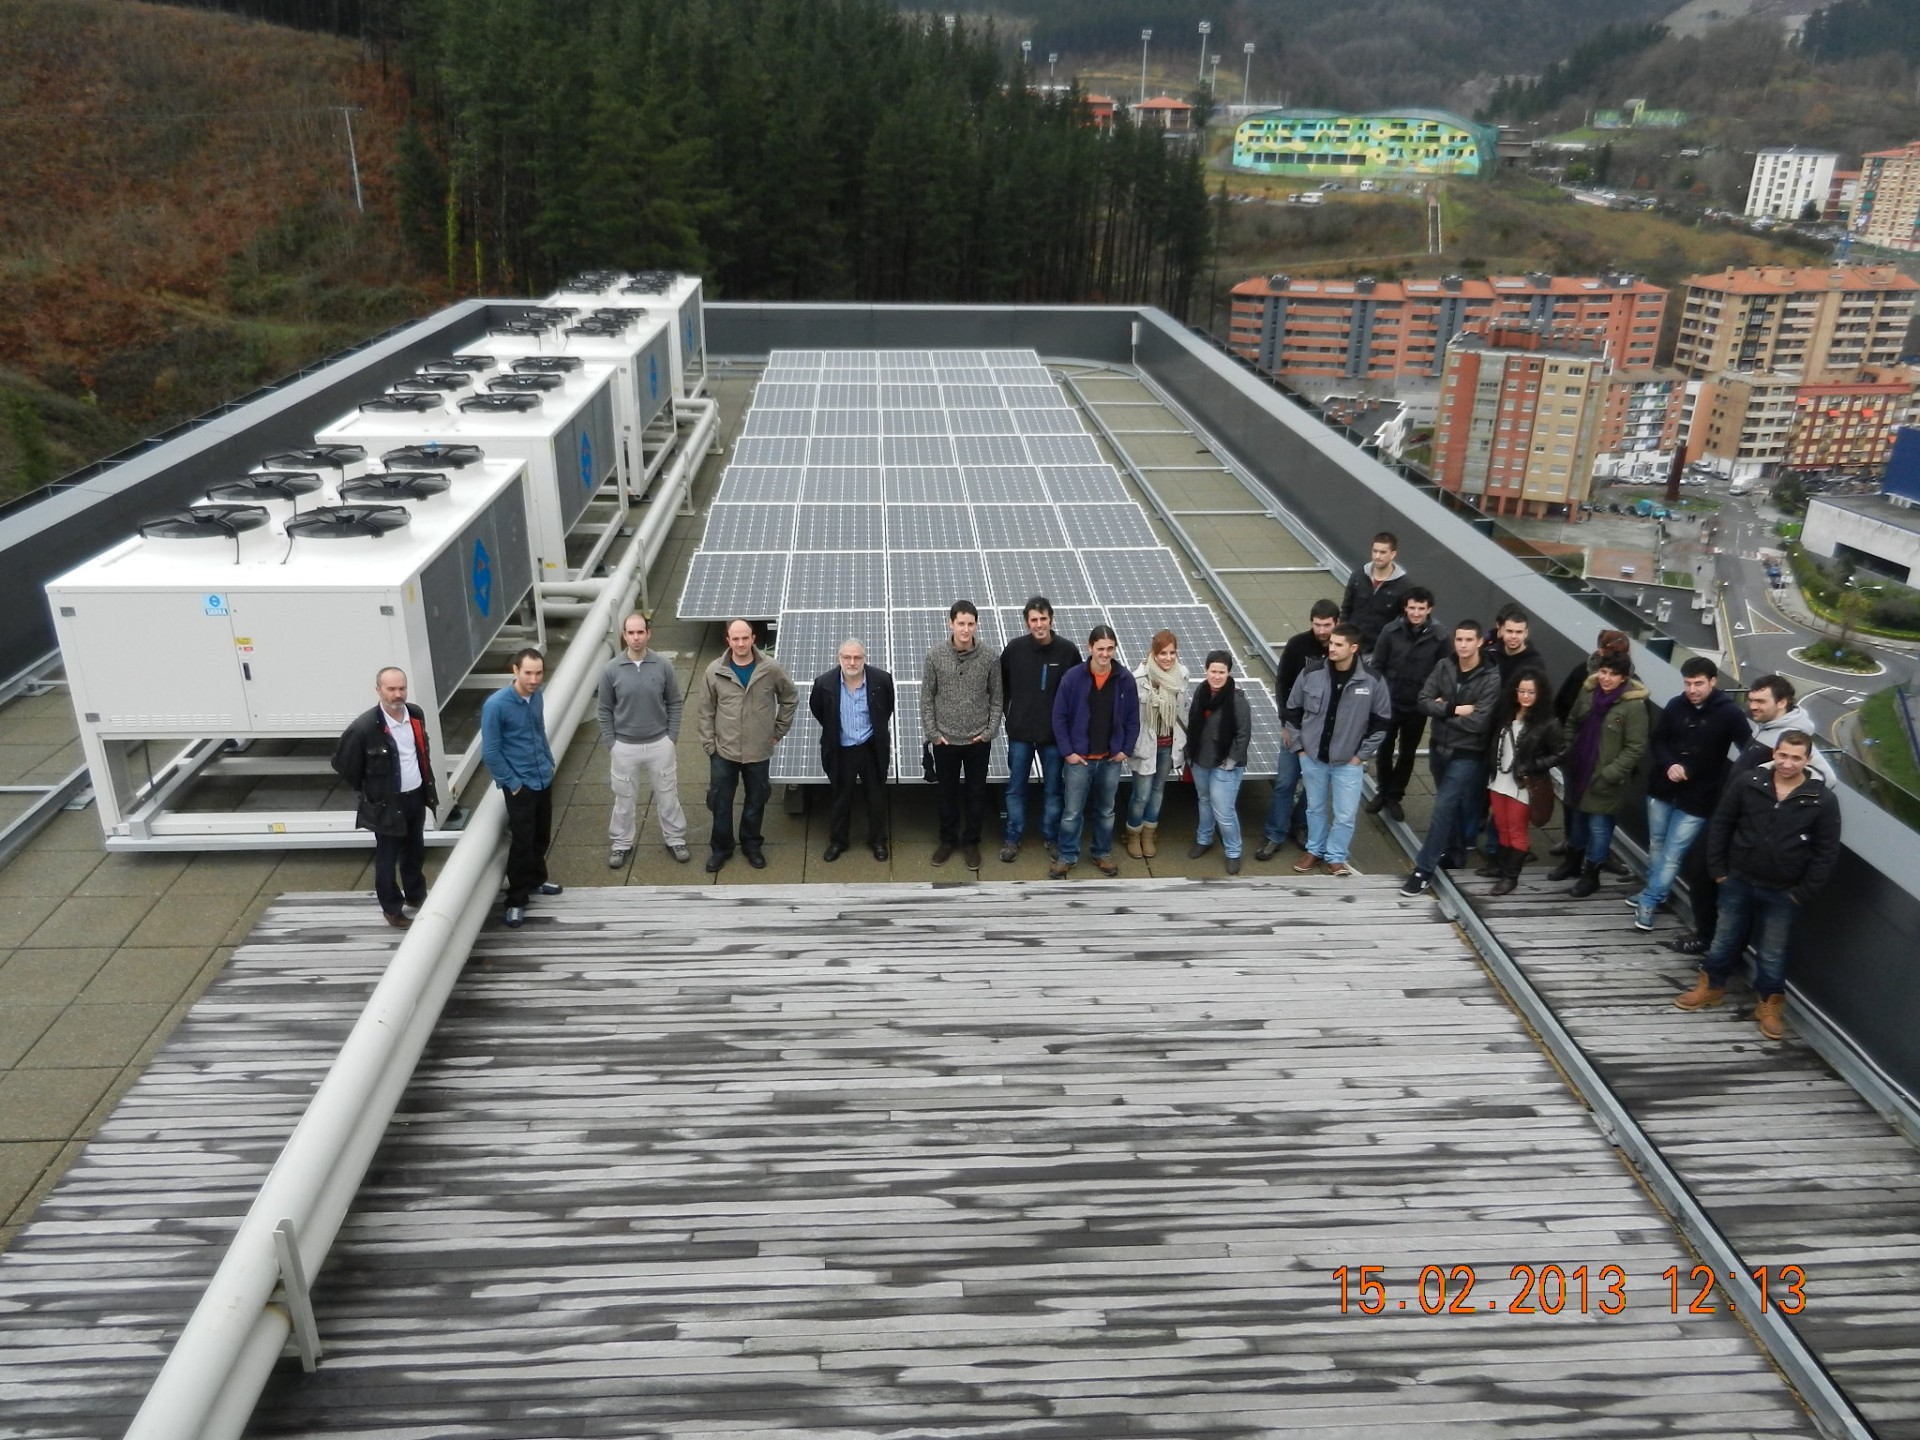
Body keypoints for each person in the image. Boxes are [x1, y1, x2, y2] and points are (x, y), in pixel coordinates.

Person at [1673, 732, 1841, 1041]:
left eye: (1796, 758)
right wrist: (1719, 871)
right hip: (1737, 880)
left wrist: (1801, 892)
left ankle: (1769, 1006)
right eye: (1783, 755)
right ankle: (1711, 987)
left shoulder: (1822, 800)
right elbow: (1722, 824)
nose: (1787, 763)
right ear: (1774, 753)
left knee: (1772, 953)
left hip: (1784, 891)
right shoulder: (1748, 782)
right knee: (1723, 939)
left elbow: (1826, 852)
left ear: (1807, 760)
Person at [1664, 674, 1833, 958]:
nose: (1753, 706)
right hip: (1730, 818)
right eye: (1751, 700)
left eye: (1760, 701)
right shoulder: (1767, 726)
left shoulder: (1792, 735)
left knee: (1715, 880)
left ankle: (1716, 944)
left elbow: (1826, 778)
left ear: (1782, 702)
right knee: (1704, 874)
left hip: (1751, 827)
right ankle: (1710, 938)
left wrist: (1780, 801)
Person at [1627, 657, 1750, 931]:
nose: (1692, 689)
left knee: (1673, 853)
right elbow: (1658, 739)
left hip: (1698, 797)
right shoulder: (1675, 705)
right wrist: (1669, 764)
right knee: (1657, 844)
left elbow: (1748, 750)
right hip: (1662, 788)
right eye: (1687, 683)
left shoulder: (1729, 713)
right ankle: (1655, 890)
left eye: (1698, 683)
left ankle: (1650, 898)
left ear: (1713, 682)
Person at [1398, 620, 1501, 896]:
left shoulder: (1490, 677)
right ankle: (1455, 854)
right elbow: (1423, 700)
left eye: (1469, 640)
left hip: (1467, 753)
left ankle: (1423, 870)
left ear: (1480, 642)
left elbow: (1479, 722)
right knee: (1451, 806)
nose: (1463, 645)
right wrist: (1455, 709)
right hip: (1438, 747)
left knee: (1443, 808)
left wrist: (1442, 708)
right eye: (1459, 639)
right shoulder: (1444, 666)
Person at [331, 666, 438, 928]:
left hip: (415, 797)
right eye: (391, 689)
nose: (397, 694)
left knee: (415, 851)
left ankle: (416, 895)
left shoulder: (415, 714)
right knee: (387, 858)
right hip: (386, 804)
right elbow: (344, 764)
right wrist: (372, 791)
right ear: (378, 690)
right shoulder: (364, 728)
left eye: (401, 688)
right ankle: (392, 908)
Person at [1286, 623, 1391, 876]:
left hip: (1348, 763)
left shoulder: (1373, 681)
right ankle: (1314, 850)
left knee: (1345, 814)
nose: (1331, 648)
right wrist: (1301, 749)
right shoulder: (1311, 673)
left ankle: (1336, 857)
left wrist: (1359, 756)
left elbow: (1381, 723)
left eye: (1338, 644)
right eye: (1331, 643)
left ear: (1353, 648)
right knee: (1314, 808)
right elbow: (1292, 711)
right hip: (1313, 759)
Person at [694, 619, 798, 873]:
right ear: (728, 641)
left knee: (756, 800)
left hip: (758, 751)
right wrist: (709, 745)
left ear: (753, 639)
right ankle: (721, 848)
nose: (740, 643)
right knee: (720, 802)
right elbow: (705, 710)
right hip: (723, 751)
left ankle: (751, 845)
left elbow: (790, 697)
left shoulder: (770, 669)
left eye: (745, 638)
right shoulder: (714, 671)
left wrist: (777, 731)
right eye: (735, 639)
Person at [1551, 655, 1650, 897]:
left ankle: (1591, 876)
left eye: (1613, 674)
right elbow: (1572, 722)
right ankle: (1572, 864)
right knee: (1576, 823)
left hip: (1606, 780)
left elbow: (1635, 747)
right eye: (1604, 672)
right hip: (1579, 771)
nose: (1606, 678)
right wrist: (1570, 749)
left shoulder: (1634, 706)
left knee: (1599, 829)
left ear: (1624, 678)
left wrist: (1610, 774)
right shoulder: (1587, 692)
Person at [597, 612, 690, 868]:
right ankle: (621, 844)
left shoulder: (663, 666)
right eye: (631, 633)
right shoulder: (611, 670)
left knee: (668, 795)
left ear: (648, 634)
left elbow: (675, 702)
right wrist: (612, 744)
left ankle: (675, 839)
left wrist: (671, 737)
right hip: (624, 747)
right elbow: (604, 709)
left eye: (640, 632)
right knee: (624, 799)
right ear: (624, 636)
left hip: (660, 744)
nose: (636, 637)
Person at [1049, 625, 1140, 878]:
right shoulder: (1072, 678)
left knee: (1106, 811)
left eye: (1110, 648)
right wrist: (1068, 752)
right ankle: (1067, 855)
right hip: (1079, 761)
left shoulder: (1124, 679)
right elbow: (1059, 717)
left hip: (1110, 760)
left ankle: (1102, 852)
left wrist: (1125, 749)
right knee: (1072, 813)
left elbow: (1133, 719)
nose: (1105, 653)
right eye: (1100, 648)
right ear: (1089, 647)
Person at [480, 648, 559, 927]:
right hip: (521, 784)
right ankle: (516, 900)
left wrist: (549, 762)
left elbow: (539, 730)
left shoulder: (536, 696)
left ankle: (537, 880)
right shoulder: (496, 706)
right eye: (528, 673)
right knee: (522, 843)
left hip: (542, 777)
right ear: (515, 670)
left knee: (541, 835)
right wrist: (513, 784)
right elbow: (490, 751)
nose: (534, 680)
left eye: (539, 673)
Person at [999, 596, 1080, 863]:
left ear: (1051, 619)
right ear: (1027, 622)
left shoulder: (1067, 651)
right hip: (1020, 734)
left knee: (1054, 790)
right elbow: (1001, 685)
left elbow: (1077, 691)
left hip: (1054, 736)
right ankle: (1013, 837)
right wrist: (1010, 714)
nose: (1039, 624)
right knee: (1015, 788)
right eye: (1034, 620)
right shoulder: (1015, 649)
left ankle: (1051, 837)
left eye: (1043, 618)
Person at [924, 599, 1002, 870]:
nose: (966, 629)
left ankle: (971, 842)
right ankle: (947, 840)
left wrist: (989, 732)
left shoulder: (990, 657)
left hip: (977, 741)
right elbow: (927, 698)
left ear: (976, 625)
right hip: (945, 740)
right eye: (961, 623)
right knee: (946, 794)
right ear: (951, 624)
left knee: (976, 793)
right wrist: (934, 734)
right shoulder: (935, 656)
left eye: (970, 624)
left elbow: (997, 698)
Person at [1256, 599, 1337, 861]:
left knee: (1316, 785)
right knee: (1285, 782)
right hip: (1296, 727)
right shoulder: (1296, 645)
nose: (1321, 630)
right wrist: (1286, 723)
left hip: (1325, 734)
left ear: (1336, 623)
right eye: (1317, 624)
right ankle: (1274, 833)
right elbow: (1282, 684)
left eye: (1327, 625)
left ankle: (1300, 825)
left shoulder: (1342, 649)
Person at [809, 639, 894, 862]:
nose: (852, 662)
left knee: (876, 797)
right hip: (841, 749)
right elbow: (818, 710)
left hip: (871, 749)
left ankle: (878, 841)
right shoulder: (824, 684)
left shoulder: (881, 680)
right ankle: (838, 842)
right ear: (839, 658)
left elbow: (886, 709)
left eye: (857, 657)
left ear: (864, 658)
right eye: (847, 657)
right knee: (840, 797)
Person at [1481, 667, 1563, 896]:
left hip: (1523, 784)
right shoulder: (1506, 714)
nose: (1525, 696)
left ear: (1540, 694)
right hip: (1499, 779)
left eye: (1531, 692)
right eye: (1522, 691)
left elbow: (1560, 752)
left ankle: (1511, 877)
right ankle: (1500, 867)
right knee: (1501, 825)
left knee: (1517, 830)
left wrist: (1533, 765)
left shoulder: (1548, 723)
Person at [1365, 586, 1442, 823]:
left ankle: (1395, 796)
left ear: (1429, 609)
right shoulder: (1390, 631)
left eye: (1421, 608)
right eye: (1412, 608)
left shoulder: (1441, 637)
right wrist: (1378, 696)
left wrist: (1435, 696)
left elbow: (1444, 671)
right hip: (1389, 703)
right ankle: (1382, 791)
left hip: (1417, 707)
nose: (1416, 613)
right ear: (1405, 608)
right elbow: (1377, 666)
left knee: (1408, 753)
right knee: (1384, 749)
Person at [1186, 649, 1254, 874]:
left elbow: (1243, 734)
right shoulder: (1201, 691)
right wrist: (1190, 752)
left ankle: (1233, 851)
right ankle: (1204, 839)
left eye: (1221, 672)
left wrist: (1231, 760)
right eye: (1213, 671)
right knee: (1204, 800)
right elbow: (1193, 720)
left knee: (1224, 811)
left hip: (1226, 764)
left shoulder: (1237, 700)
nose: (1216, 676)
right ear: (1206, 671)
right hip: (1200, 759)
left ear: (1229, 673)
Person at [1125, 629, 1188, 859]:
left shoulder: (1182, 674)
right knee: (1141, 794)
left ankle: (1148, 834)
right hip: (1146, 744)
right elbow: (1130, 716)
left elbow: (1182, 710)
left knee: (1158, 790)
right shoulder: (1138, 678)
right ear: (1154, 652)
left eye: (1172, 652)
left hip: (1168, 744)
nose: (1168, 657)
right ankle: (1133, 833)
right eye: (1163, 653)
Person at [1339, 531, 1411, 649]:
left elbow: (1404, 620)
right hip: (1352, 644)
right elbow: (1346, 608)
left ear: (1393, 554)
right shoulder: (1358, 577)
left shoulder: (1404, 586)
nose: (1377, 556)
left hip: (1380, 648)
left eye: (1382, 552)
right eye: (1375, 551)